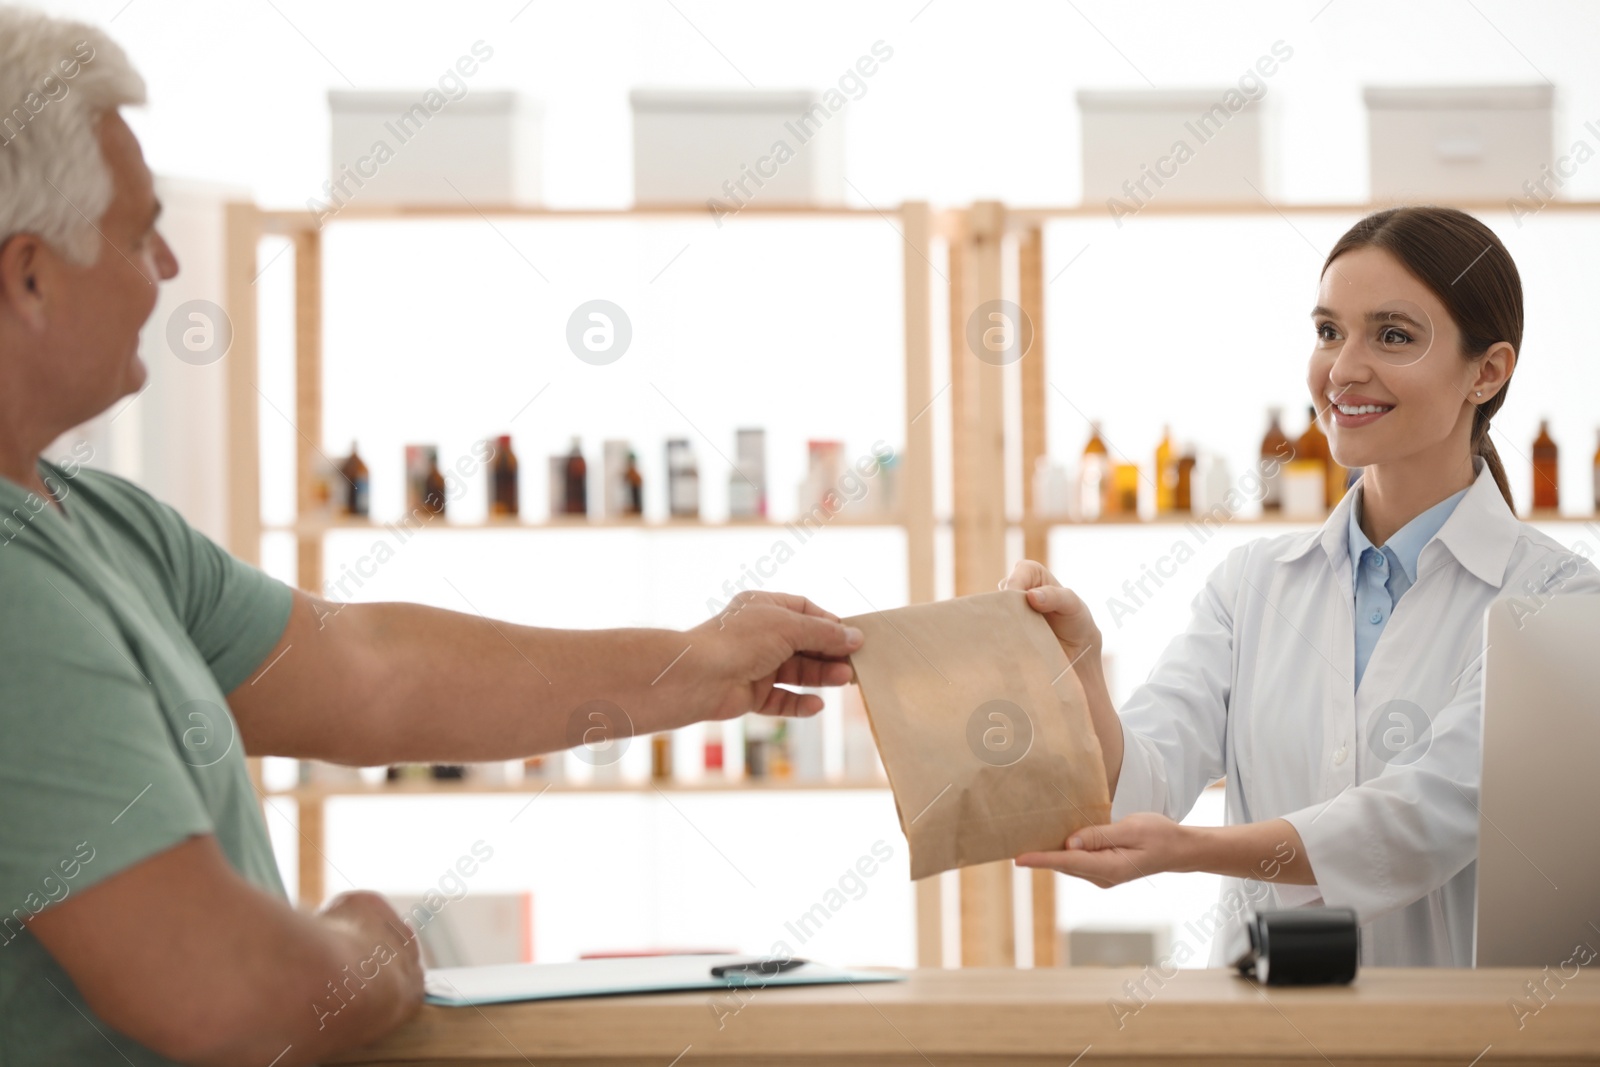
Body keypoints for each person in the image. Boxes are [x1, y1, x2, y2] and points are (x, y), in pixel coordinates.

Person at [0, 9, 863, 1064]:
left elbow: (369, 672)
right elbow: (222, 990)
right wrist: (367, 950)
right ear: (29, 275)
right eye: (139, 234)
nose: (170, 266)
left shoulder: (100, 524)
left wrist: (701, 661)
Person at [1007, 205, 1600, 967]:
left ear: (1486, 371)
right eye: (1328, 331)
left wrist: (1189, 850)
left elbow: (1427, 817)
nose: (1344, 369)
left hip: (1457, 1039)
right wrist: (1083, 667)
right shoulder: (1251, 586)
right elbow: (1142, 792)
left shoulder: (1558, 601)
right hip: (1267, 1038)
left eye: (1393, 335)